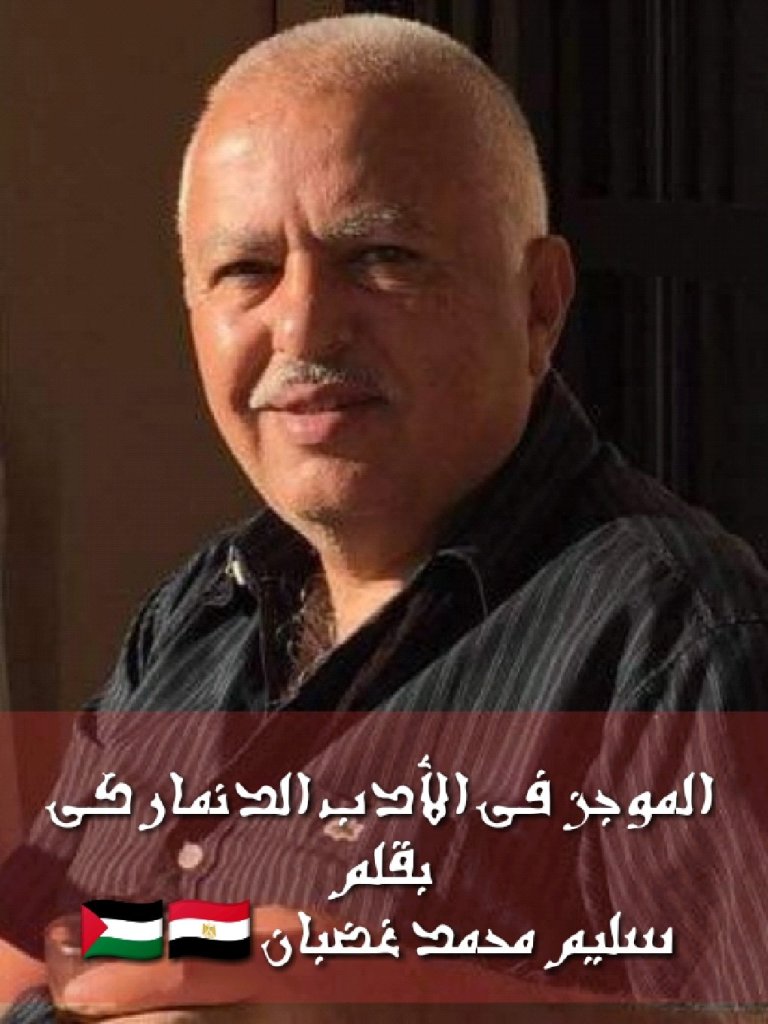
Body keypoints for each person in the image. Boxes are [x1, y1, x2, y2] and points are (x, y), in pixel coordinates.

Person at [2, 12, 767, 1022]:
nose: (304, 325)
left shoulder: (675, 640)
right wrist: (182, 963)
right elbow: (37, 939)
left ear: (539, 303)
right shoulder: (200, 610)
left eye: (381, 256)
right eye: (247, 270)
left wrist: (376, 996)